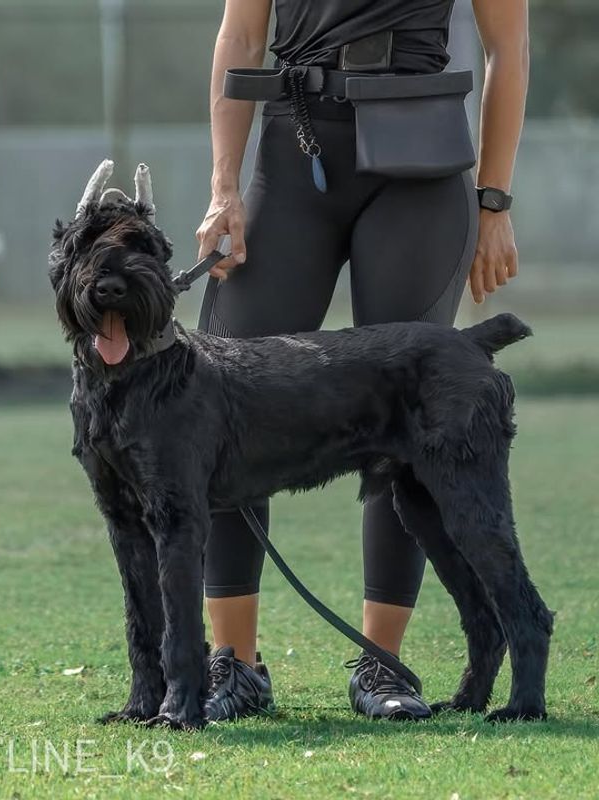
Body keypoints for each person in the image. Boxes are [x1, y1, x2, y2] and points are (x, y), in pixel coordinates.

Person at [195, 0, 529, 721]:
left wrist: (495, 202)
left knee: (404, 415)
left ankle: (383, 669)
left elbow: (509, 43)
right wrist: (224, 187)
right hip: (292, 155)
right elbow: (242, 33)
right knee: (224, 402)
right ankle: (235, 665)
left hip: (420, 165)